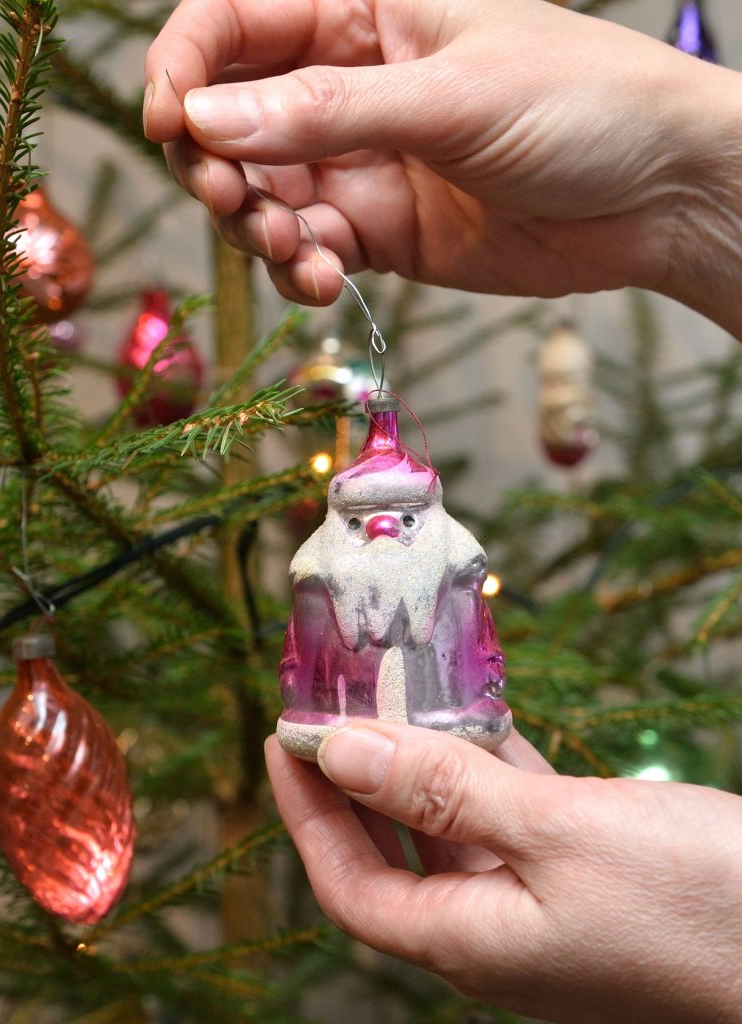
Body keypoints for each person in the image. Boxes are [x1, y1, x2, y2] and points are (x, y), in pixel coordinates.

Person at [145, 2, 742, 1020]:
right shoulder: (327, 559)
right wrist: (694, 186)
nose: (384, 526)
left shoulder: (442, 546)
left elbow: (453, 566)